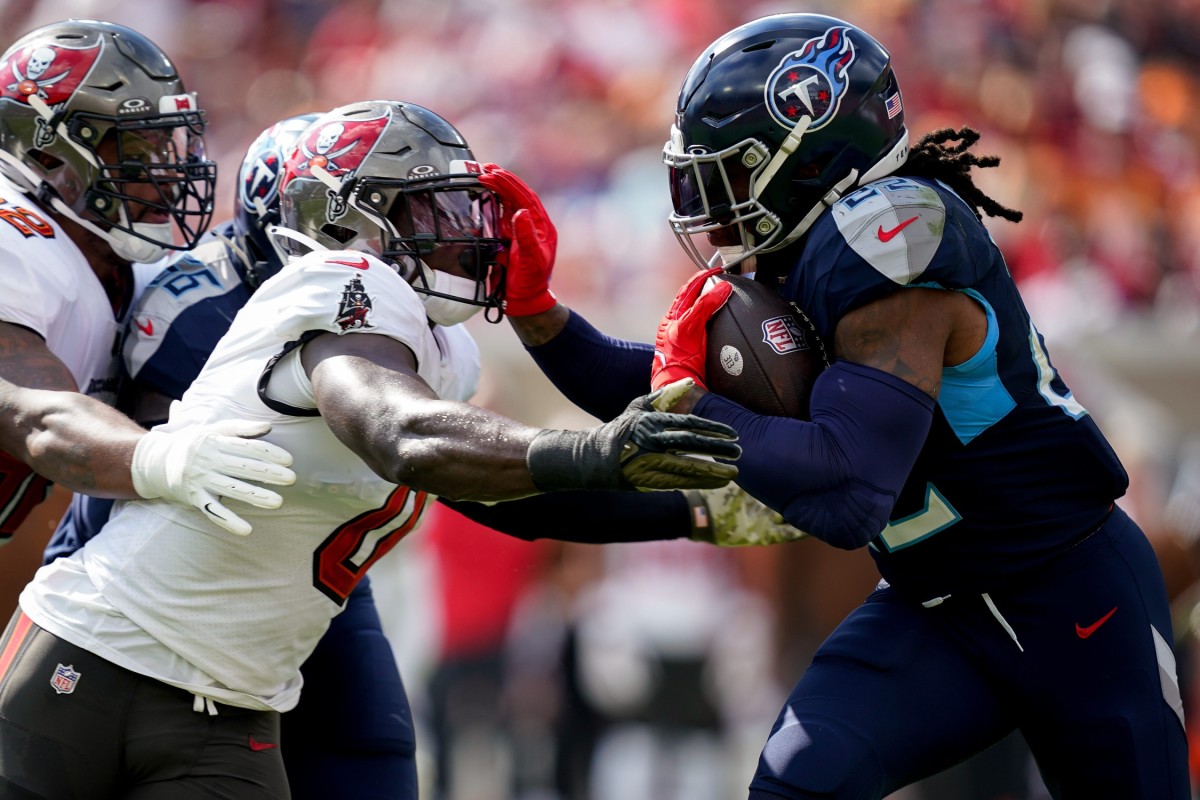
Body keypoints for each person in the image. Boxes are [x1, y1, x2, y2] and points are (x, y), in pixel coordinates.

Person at [476, 13, 1190, 799]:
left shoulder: (894, 236)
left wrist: (700, 405)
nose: (714, 207)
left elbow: (850, 492)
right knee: (796, 786)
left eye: (733, 173)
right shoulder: (808, 255)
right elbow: (661, 395)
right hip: (937, 606)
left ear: (812, 155)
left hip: (1073, 596)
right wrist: (539, 314)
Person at [0, 99, 747, 800]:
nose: (464, 229)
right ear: (354, 222)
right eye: (433, 208)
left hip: (233, 703)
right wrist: (596, 450)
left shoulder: (442, 347)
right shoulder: (341, 283)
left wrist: (697, 512)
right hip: (98, 652)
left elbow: (500, 487)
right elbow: (403, 434)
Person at [40, 111, 428, 800]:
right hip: (170, 577)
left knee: (372, 749)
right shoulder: (198, 307)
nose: (356, 247)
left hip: (307, 574)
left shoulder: (416, 323)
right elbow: (168, 477)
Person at [0, 19, 296, 544]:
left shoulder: (112, 258)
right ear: (47, 157)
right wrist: (159, 458)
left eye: (170, 144)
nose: (166, 171)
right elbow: (33, 416)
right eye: (138, 150)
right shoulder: (14, 241)